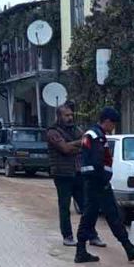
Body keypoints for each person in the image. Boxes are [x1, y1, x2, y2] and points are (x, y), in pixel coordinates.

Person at [74, 106, 134, 265]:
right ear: (107, 121)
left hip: (93, 182)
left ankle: (127, 249)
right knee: (106, 216)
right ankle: (128, 249)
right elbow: (98, 162)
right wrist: (104, 181)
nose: (113, 127)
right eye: (113, 123)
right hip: (98, 183)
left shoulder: (93, 135)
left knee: (94, 217)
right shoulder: (97, 137)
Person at [45, 103, 99, 247]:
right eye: (66, 115)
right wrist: (79, 145)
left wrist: (75, 146)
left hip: (78, 172)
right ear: (59, 116)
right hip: (62, 174)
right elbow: (65, 149)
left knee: (86, 206)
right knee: (64, 206)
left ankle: (92, 235)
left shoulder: (76, 129)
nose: (70, 118)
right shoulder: (52, 132)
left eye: (71, 115)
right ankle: (67, 236)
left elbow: (87, 145)